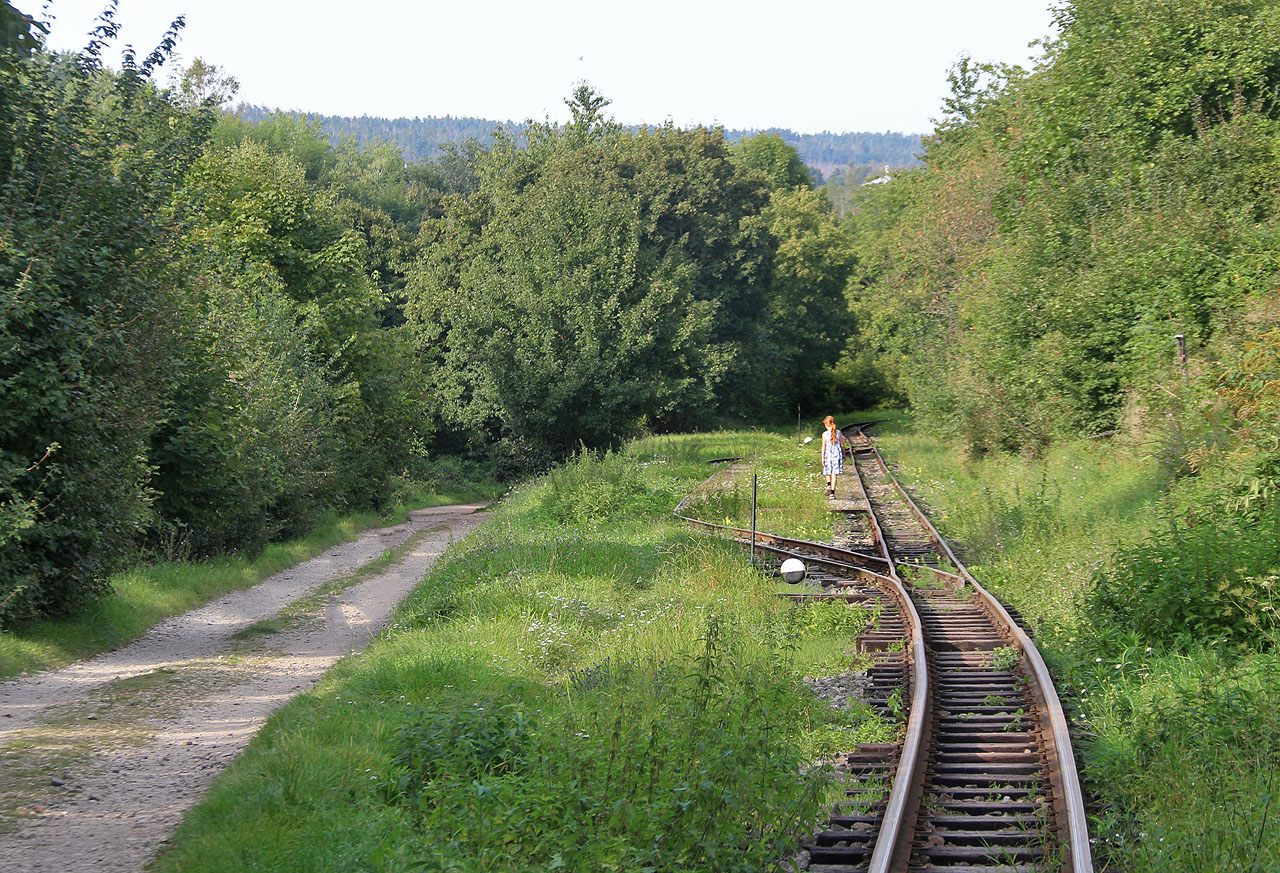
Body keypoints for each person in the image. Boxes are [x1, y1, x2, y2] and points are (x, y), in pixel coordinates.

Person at [820, 415, 844, 497]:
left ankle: (828, 485)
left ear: (826, 424)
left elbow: (823, 447)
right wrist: (844, 454)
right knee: (834, 474)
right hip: (837, 455)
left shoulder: (824, 434)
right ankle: (833, 493)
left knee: (827, 471)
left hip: (828, 455)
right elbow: (842, 445)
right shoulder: (838, 433)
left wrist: (822, 458)